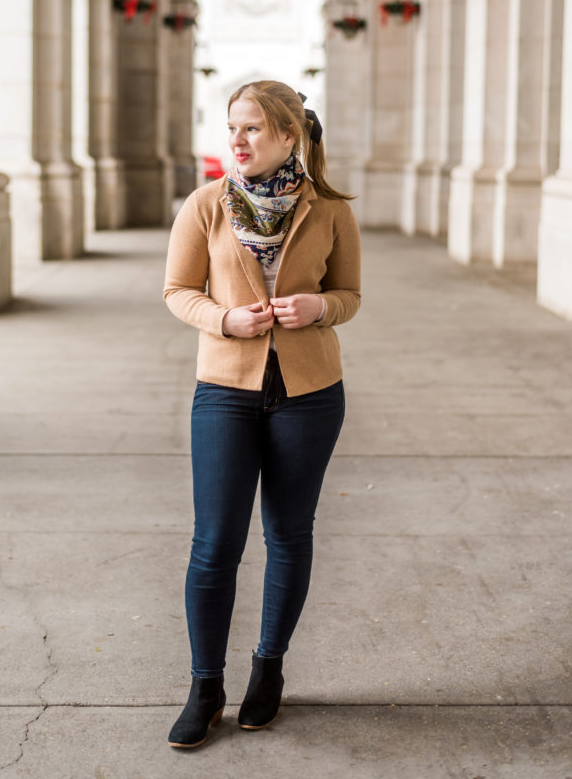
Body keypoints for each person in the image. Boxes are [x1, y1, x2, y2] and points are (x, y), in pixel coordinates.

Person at [163, 79, 361, 749]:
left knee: (288, 533)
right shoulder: (205, 206)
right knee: (215, 544)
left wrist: (320, 309)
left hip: (310, 391)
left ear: (286, 136)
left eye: (250, 129)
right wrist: (223, 318)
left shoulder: (329, 208)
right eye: (232, 129)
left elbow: (350, 293)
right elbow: (177, 290)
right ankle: (204, 686)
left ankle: (267, 671)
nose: (237, 141)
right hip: (224, 387)